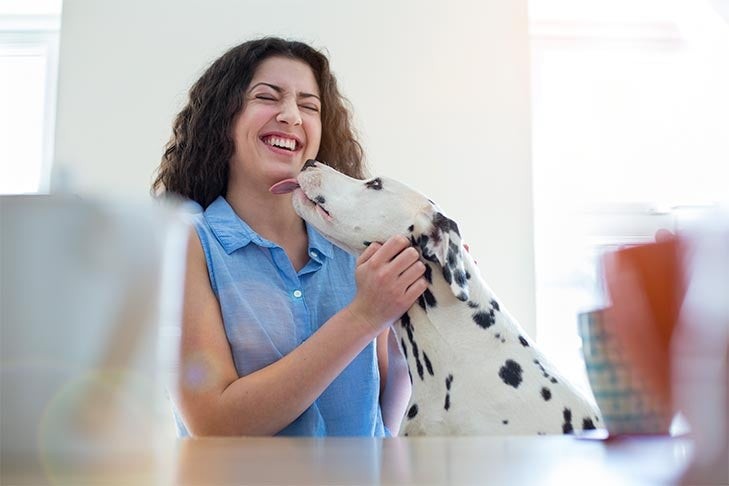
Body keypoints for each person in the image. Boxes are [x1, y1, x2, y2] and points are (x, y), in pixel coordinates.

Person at [152, 37, 427, 437]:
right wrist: (364, 316)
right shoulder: (184, 244)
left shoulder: (355, 242)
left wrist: (413, 318)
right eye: (268, 97)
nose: (291, 115)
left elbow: (381, 414)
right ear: (223, 117)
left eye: (309, 105)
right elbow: (213, 422)